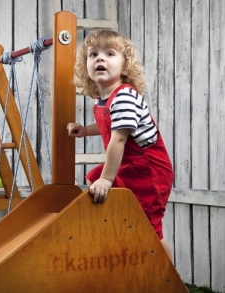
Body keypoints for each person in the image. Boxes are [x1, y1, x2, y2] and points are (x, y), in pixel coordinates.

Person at [67, 30, 174, 262]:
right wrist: (85, 130)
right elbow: (108, 123)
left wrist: (107, 178)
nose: (100, 58)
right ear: (86, 67)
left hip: (149, 170)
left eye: (110, 53)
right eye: (93, 54)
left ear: (125, 68)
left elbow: (119, 139)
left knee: (149, 225)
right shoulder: (102, 100)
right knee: (97, 188)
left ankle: (168, 278)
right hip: (128, 165)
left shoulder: (124, 96)